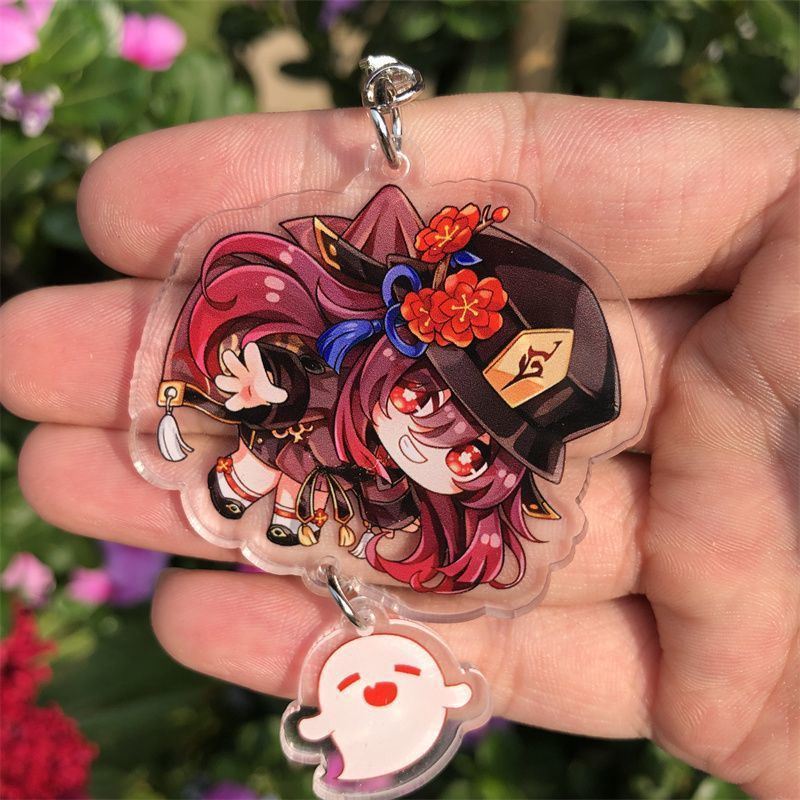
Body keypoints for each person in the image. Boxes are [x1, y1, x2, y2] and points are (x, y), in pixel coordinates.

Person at [0, 93, 796, 797]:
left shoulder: (406, 505)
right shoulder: (339, 390)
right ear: (388, 354)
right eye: (420, 398)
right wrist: (263, 390)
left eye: (470, 457)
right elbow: (308, 390)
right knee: (262, 469)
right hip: (295, 460)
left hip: (332, 503)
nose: (425, 443)